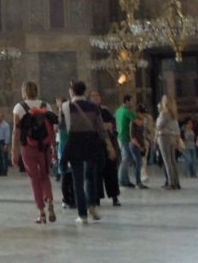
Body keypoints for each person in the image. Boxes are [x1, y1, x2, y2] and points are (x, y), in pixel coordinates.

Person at [58, 81, 106, 224]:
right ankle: (92, 205)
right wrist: (108, 145)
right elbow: (100, 128)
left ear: (72, 91)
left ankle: (82, 215)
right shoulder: (93, 106)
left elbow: (61, 126)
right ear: (84, 91)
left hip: (75, 142)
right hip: (91, 142)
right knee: (91, 176)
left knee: (77, 180)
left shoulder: (65, 106)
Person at [12, 81, 57, 223]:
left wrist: (14, 152)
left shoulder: (19, 107)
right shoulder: (46, 106)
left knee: (34, 178)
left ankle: (41, 212)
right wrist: (53, 148)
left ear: (24, 92)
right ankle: (49, 200)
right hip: (44, 147)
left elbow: (16, 131)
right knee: (45, 176)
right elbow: (51, 130)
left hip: (28, 147)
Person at [155, 96, 182, 190]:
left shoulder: (164, 113)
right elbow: (176, 127)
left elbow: (159, 125)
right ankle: (176, 181)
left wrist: (160, 113)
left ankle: (171, 183)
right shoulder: (173, 114)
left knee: (167, 161)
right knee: (173, 161)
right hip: (172, 137)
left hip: (164, 137)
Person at [115, 95, 141, 188]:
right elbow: (138, 122)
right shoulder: (128, 111)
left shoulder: (118, 110)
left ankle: (125, 179)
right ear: (126, 101)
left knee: (126, 158)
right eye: (131, 101)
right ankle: (122, 180)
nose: (133, 103)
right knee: (126, 159)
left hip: (120, 137)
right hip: (126, 137)